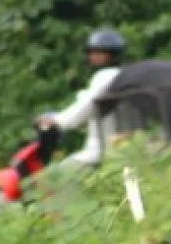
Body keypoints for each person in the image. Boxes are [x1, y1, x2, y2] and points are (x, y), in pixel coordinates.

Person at [35, 28, 125, 168]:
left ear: (110, 55)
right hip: (118, 146)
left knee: (59, 174)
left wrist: (56, 120)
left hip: (100, 151)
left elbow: (85, 107)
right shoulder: (121, 75)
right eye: (92, 52)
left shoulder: (105, 77)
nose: (92, 56)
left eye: (97, 52)